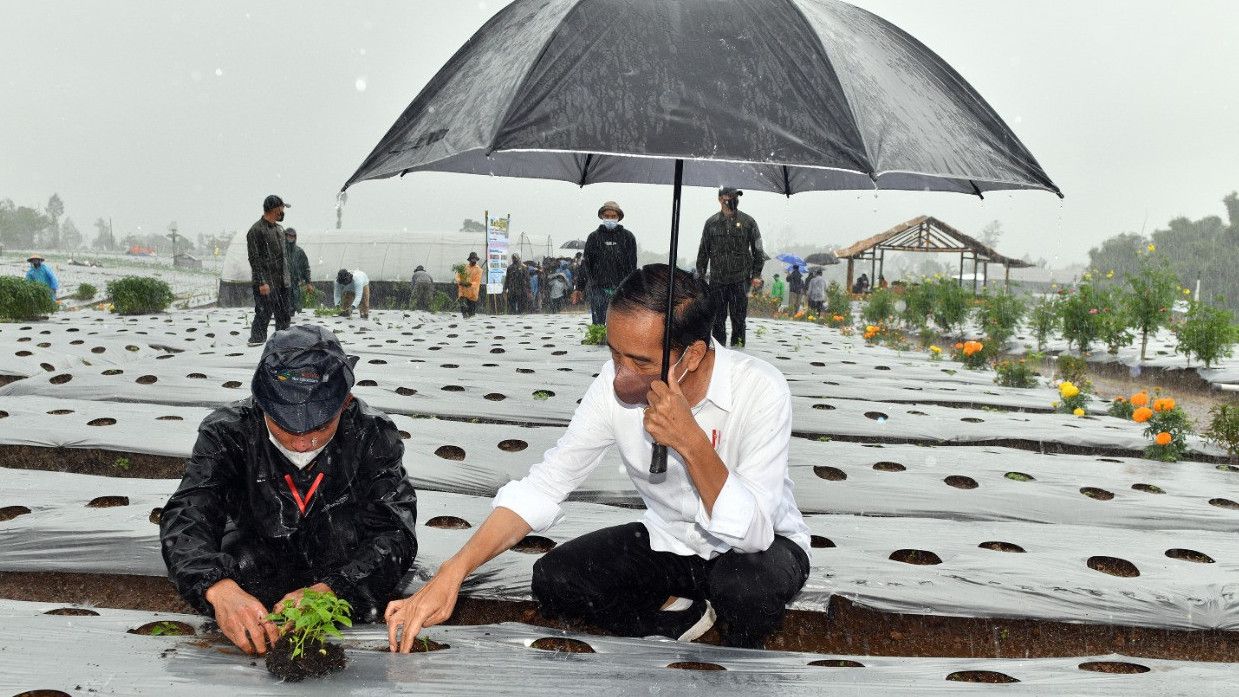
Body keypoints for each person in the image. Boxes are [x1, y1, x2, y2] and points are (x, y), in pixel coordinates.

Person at [384, 264, 811, 653]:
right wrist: (453, 571)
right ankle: (674, 620)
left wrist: (692, 442)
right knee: (557, 579)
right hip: (671, 540)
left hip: (761, 549)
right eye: (614, 353)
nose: (621, 373)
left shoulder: (760, 390)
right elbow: (547, 483)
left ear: (693, 355)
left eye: (640, 361)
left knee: (745, 589)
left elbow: (754, 531)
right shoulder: (611, 387)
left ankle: (738, 663)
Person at [159, 325, 419, 656]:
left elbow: (394, 531)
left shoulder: (372, 436)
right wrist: (217, 586)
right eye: (283, 426)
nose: (301, 442)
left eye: (320, 427)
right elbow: (189, 512)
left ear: (344, 403)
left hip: (341, 563)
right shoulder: (228, 433)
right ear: (261, 405)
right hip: (257, 564)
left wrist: (334, 590)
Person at [695, 187, 767, 347]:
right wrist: (700, 278)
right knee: (717, 320)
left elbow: (759, 250)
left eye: (736, 196)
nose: (734, 199)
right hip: (718, 280)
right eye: (730, 196)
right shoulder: (711, 223)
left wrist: (756, 274)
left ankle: (738, 351)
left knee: (739, 320)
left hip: (740, 279)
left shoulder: (749, 222)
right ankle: (719, 354)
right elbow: (703, 252)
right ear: (721, 199)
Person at [576, 201, 638, 326]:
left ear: (618, 217)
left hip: (620, 288)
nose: (610, 219)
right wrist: (579, 287)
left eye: (613, 216)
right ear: (602, 217)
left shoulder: (628, 237)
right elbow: (586, 264)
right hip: (598, 288)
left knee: (619, 323)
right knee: (598, 323)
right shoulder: (594, 237)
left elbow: (632, 265)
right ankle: (599, 339)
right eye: (607, 216)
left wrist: (633, 287)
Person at [246, 195, 292, 346]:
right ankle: (256, 344)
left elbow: (283, 258)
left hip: (281, 283)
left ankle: (282, 346)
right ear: (274, 209)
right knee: (263, 314)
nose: (283, 211)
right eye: (282, 208)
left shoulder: (279, 229)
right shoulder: (256, 230)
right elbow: (255, 259)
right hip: (266, 284)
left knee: (284, 316)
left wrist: (287, 279)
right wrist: (262, 282)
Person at [284, 228, 313, 314]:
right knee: (283, 305)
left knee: (293, 305)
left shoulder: (299, 252)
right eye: (289, 235)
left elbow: (306, 268)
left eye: (293, 236)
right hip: (282, 282)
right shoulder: (280, 250)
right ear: (285, 236)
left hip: (294, 282)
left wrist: (308, 283)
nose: (291, 238)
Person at [457, 252, 483, 318]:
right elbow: (458, 276)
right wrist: (460, 282)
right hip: (463, 292)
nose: (473, 261)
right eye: (472, 260)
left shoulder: (479, 270)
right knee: (463, 309)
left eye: (475, 260)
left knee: (471, 314)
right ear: (470, 260)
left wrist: (469, 284)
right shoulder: (463, 268)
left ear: (476, 260)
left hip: (472, 294)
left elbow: (477, 282)